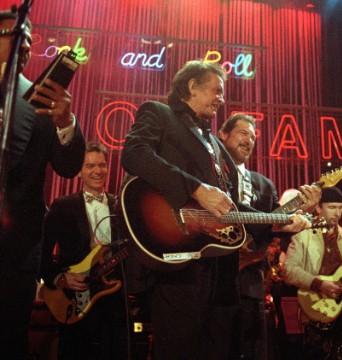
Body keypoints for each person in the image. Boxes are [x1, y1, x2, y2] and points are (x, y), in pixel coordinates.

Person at [120, 60, 309, 360]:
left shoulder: (217, 146)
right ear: (191, 87)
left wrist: (277, 222)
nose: (222, 98)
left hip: (221, 273)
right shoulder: (159, 113)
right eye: (216, 90)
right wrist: (196, 189)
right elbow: (134, 153)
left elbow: (233, 207)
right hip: (176, 264)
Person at [0, 9, 85, 359]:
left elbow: (68, 166)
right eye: (15, 37)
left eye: (30, 44)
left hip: (16, 248)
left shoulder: (41, 99)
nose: (25, 48)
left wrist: (66, 121)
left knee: (9, 337)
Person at [215, 112, 321, 359]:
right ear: (223, 135)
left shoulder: (263, 184)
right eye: (242, 133)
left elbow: (276, 227)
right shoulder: (210, 176)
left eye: (253, 137)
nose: (249, 140)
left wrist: (301, 212)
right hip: (214, 275)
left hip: (251, 281)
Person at [39, 142, 129, 359]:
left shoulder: (121, 206)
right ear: (79, 171)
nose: (98, 171)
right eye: (90, 166)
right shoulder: (62, 206)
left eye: (102, 165)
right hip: (74, 299)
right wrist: (60, 278)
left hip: (113, 299)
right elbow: (39, 254)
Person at [283, 187, 342, 359]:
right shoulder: (303, 236)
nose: (337, 213)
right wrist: (319, 284)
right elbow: (289, 270)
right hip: (315, 308)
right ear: (319, 208)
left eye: (340, 208)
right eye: (332, 207)